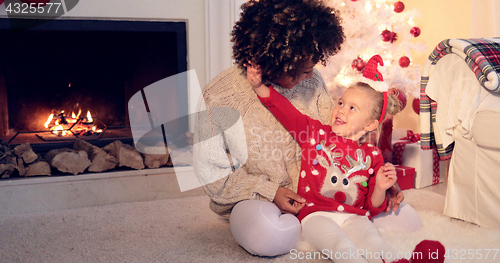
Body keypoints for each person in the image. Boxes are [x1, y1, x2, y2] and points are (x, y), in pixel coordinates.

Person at [193, 0, 418, 257]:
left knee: (407, 219)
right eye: (304, 71)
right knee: (268, 236)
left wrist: (380, 185)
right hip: (258, 199)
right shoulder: (218, 96)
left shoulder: (312, 81)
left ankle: (318, 226)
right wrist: (271, 191)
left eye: (312, 68)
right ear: (278, 62)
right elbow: (213, 175)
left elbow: (339, 143)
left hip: (324, 198)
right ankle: (309, 227)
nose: (311, 76)